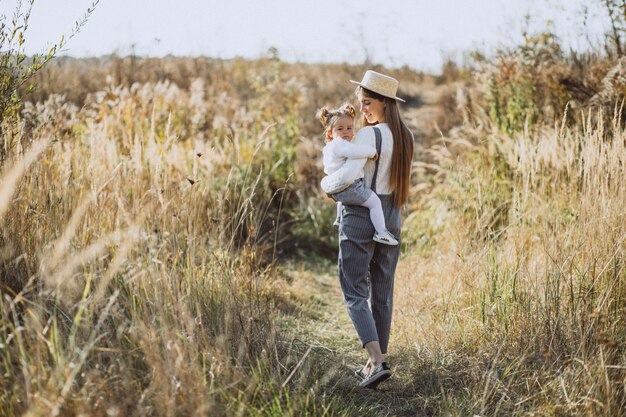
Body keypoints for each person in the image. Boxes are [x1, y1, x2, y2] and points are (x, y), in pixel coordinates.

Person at [320, 70, 414, 389]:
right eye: (361, 102)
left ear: (386, 102)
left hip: (360, 216)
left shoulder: (367, 136)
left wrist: (326, 187)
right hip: (392, 217)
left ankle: (375, 361)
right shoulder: (406, 137)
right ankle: (379, 359)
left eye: (368, 102)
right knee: (383, 292)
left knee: (354, 289)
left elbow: (346, 179)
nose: (363, 110)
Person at [318, 103, 399, 246]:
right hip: (350, 187)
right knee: (374, 203)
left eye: (349, 128)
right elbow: (353, 152)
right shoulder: (340, 144)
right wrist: (371, 151)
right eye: (340, 129)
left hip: (337, 189)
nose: (346, 132)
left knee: (342, 200)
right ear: (330, 133)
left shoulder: (328, 148)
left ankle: (338, 217)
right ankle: (381, 232)